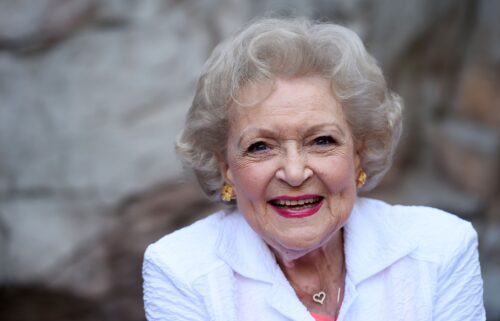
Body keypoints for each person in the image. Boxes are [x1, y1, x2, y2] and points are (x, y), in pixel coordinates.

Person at [142, 17, 485, 321]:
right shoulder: (182, 269)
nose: (294, 173)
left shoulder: (439, 249)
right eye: (260, 146)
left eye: (321, 141)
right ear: (226, 167)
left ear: (358, 154)